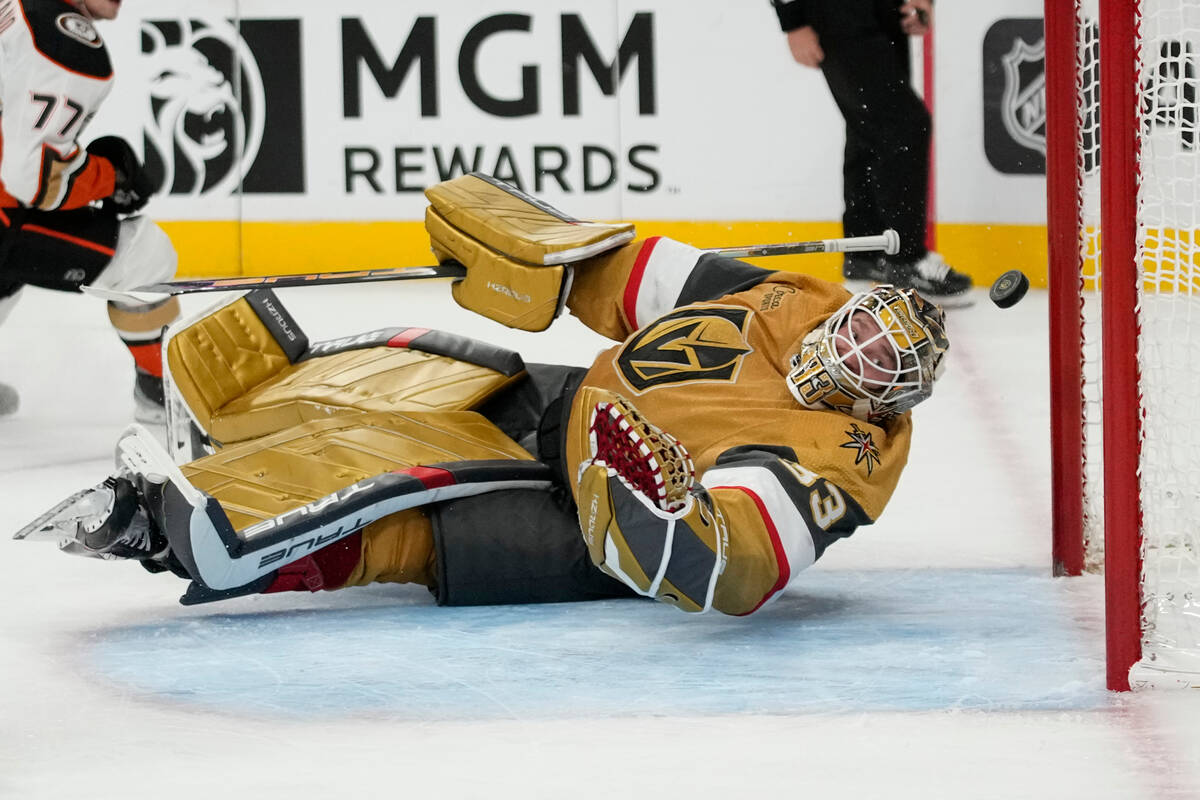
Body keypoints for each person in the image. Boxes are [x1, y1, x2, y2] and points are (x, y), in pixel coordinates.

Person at [16, 173, 950, 617]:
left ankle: (168, 535)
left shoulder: (849, 455)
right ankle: (248, 416)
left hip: (602, 518)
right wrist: (535, 247)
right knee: (422, 376)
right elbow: (625, 278)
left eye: (875, 368)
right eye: (858, 335)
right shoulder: (789, 297)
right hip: (574, 401)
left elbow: (743, 558)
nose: (853, 357)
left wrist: (667, 518)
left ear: (888, 402)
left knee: (411, 527)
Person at [0, 0, 178, 419]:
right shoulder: (63, 37)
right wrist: (111, 177)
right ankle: (162, 394)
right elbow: (31, 180)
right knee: (143, 253)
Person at [771, 0, 973, 304]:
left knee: (870, 129)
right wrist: (793, 19)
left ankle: (867, 252)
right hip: (834, 11)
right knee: (903, 124)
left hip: (884, 13)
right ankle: (903, 260)